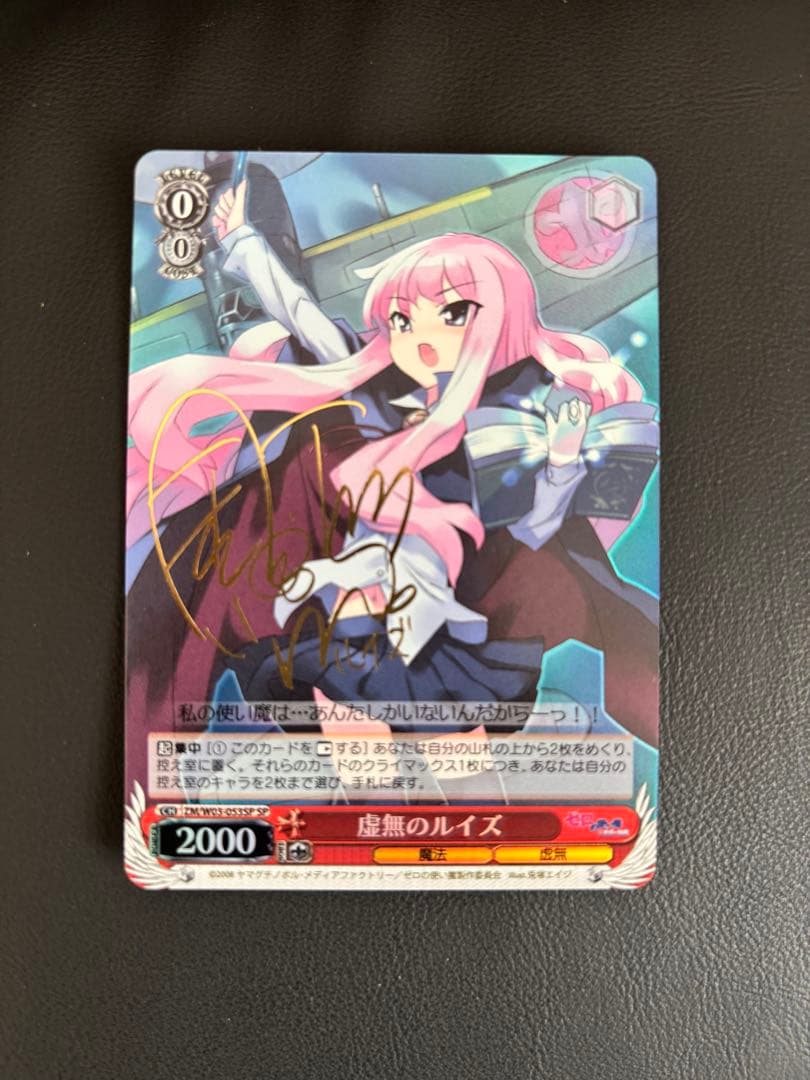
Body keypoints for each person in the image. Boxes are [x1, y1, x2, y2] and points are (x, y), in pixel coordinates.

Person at [126, 181, 659, 748]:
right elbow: (310, 324)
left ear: (501, 318)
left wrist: (561, 462)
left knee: (416, 722)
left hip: (460, 638)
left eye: (453, 313)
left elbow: (532, 538)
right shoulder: (386, 394)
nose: (421, 338)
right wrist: (245, 244)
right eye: (402, 321)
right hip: (372, 607)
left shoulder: (511, 416)